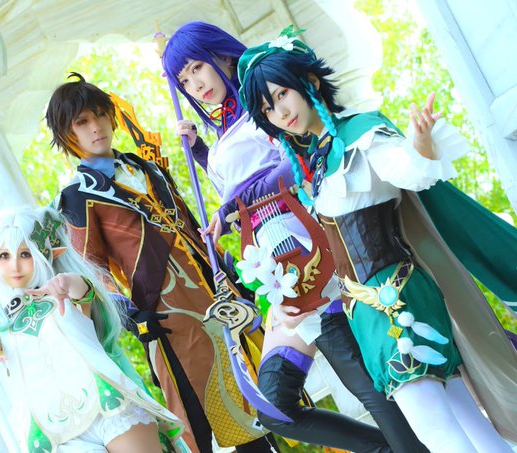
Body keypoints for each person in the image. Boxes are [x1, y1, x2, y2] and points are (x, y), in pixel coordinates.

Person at [238, 25, 516, 453]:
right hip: (368, 310)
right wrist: (292, 304)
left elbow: (409, 170)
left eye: (282, 94)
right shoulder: (319, 161)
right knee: (465, 419)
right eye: (267, 108)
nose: (280, 111)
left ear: (309, 82)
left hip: (396, 298)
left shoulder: (361, 137)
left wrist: (420, 143)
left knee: (433, 429)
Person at [162, 21, 427, 453]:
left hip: (309, 252)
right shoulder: (225, 128)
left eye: (197, 67)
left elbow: (296, 162)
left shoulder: (265, 106)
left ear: (222, 55)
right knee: (274, 406)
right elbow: (242, 182)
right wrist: (202, 154)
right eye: (184, 80)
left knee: (366, 385)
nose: (195, 84)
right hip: (276, 269)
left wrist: (234, 204)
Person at [45, 73, 278, 453]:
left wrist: (226, 268)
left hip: (217, 294)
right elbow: (91, 266)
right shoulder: (77, 196)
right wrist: (126, 312)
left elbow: (189, 223)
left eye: (100, 115)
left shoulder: (148, 166)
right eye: (82, 122)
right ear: (66, 134)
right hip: (167, 316)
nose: (96, 127)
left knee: (258, 391)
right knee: (202, 413)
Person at [0, 206, 188, 453]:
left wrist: (65, 283)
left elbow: (80, 289)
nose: (14, 265)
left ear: (45, 253)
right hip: (56, 435)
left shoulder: (66, 291)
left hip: (109, 405)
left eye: (25, 254)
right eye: (4, 256)